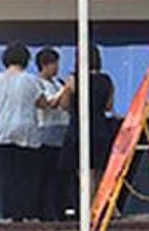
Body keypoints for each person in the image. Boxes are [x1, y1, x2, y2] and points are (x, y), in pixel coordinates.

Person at [0, 42, 45, 221]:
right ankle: (26, 211)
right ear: (26, 60)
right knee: (25, 174)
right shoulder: (31, 80)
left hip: (0, 131)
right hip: (25, 130)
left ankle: (9, 212)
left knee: (6, 174)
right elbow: (41, 103)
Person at [65, 43, 117, 218]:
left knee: (84, 173)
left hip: (79, 127)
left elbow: (65, 105)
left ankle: (88, 210)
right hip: (101, 127)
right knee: (101, 173)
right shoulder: (106, 80)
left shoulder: (74, 78)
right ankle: (103, 207)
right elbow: (109, 106)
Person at [33, 47, 71, 221]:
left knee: (61, 176)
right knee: (46, 175)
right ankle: (44, 211)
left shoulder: (58, 82)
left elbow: (65, 105)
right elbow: (51, 103)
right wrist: (65, 90)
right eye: (52, 64)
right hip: (46, 133)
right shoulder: (38, 84)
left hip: (62, 131)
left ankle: (61, 208)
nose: (56, 68)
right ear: (44, 65)